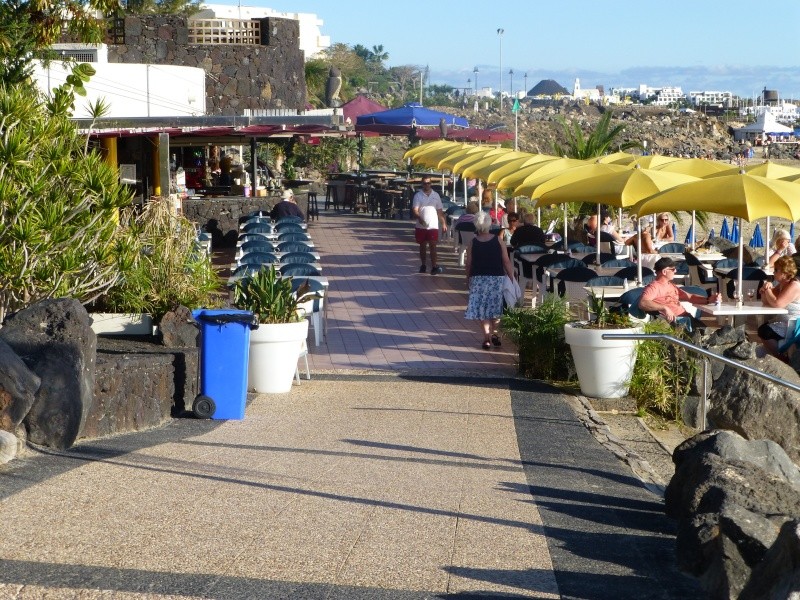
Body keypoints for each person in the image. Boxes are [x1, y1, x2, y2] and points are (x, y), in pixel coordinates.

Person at [465, 212, 515, 350]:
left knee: (482, 308)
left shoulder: (473, 242)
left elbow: (468, 263)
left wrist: (467, 278)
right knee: (496, 306)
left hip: (478, 278)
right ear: (489, 224)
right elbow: (506, 260)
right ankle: (495, 333)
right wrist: (511, 276)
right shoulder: (498, 240)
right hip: (496, 278)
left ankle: (486, 337)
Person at [639, 257, 719, 331]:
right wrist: (664, 308)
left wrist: (709, 300)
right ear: (664, 271)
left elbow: (690, 297)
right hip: (676, 322)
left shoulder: (670, 285)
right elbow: (643, 303)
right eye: (673, 269)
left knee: (712, 333)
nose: (676, 271)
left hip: (687, 318)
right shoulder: (654, 287)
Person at [757, 256, 800, 357]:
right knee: (764, 327)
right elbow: (766, 302)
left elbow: (777, 304)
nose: (773, 272)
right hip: (784, 319)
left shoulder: (794, 285)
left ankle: (780, 357)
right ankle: (778, 353)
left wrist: (768, 291)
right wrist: (764, 290)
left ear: (784, 273)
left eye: (776, 270)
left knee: (764, 331)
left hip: (794, 322)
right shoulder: (783, 283)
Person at [412, 177, 447, 274]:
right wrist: (420, 218)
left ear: (431, 184)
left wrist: (443, 223)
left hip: (433, 225)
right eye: (424, 183)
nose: (426, 185)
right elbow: (415, 210)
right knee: (422, 245)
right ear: (422, 184)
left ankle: (434, 266)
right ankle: (423, 264)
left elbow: (440, 211)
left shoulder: (436, 195)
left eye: (428, 183)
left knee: (433, 245)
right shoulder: (418, 195)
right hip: (421, 225)